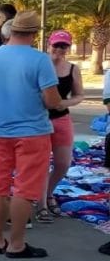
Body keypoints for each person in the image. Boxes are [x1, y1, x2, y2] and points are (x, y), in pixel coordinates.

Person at [0, 11, 61, 259]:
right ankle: (17, 244)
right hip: (33, 133)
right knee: (24, 189)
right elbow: (52, 100)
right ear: (34, 33)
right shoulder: (40, 60)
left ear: (11, 31)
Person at [37, 30, 83, 223]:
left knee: (63, 164)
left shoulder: (72, 69)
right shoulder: (39, 65)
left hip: (61, 119)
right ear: (49, 45)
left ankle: (49, 193)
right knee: (41, 163)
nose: (59, 49)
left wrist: (65, 103)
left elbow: (79, 95)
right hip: (40, 120)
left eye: (64, 46)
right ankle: (42, 205)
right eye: (56, 45)